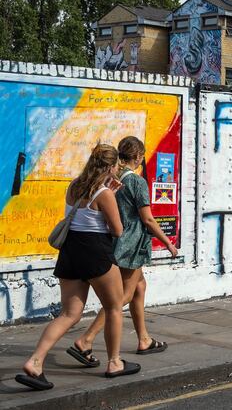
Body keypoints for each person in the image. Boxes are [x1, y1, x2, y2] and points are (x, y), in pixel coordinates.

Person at [16, 145, 140, 391]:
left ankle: (35, 361)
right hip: (95, 252)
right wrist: (111, 197)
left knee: (69, 314)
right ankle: (115, 362)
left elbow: (83, 215)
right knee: (114, 307)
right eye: (116, 166)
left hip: (71, 251)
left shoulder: (73, 186)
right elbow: (116, 230)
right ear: (112, 167)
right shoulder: (104, 193)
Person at [71, 137, 178, 363]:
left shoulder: (113, 178)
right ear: (139, 157)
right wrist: (168, 242)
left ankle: (144, 339)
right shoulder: (137, 182)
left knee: (139, 287)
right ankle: (86, 339)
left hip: (115, 242)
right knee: (121, 297)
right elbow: (147, 219)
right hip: (132, 245)